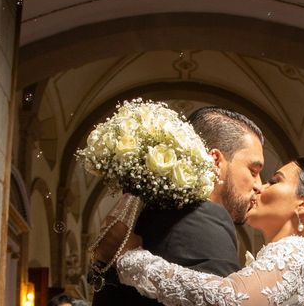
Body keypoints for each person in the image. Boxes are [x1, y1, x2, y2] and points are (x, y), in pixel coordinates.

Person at [101, 157, 304, 306]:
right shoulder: (298, 257)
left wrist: (132, 258)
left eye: (273, 181)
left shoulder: (298, 251)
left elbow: (229, 298)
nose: (259, 187)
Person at [91, 106, 265, 306]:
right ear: (215, 161)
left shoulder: (151, 213)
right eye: (253, 170)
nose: (259, 185)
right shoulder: (204, 217)